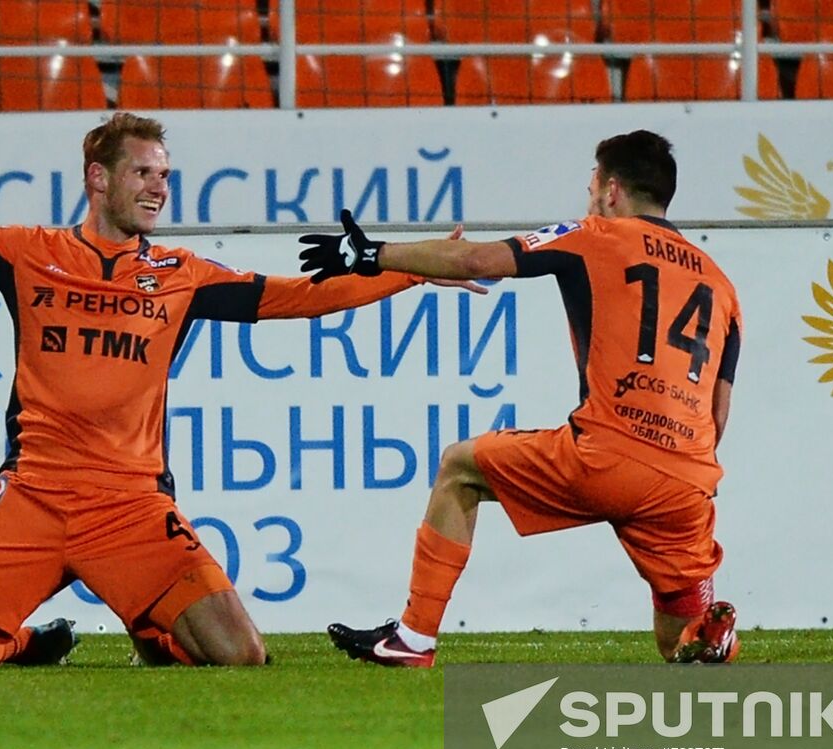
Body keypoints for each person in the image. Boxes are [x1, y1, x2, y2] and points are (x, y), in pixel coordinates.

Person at [0, 112, 475, 670]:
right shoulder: (28, 253)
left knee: (240, 655)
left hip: (131, 507)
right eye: (143, 172)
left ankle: (151, 628)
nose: (158, 187)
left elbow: (293, 297)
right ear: (98, 177)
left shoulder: (182, 274)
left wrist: (409, 272)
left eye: (165, 175)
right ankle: (22, 645)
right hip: (33, 497)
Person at [300, 131, 743, 666]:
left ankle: (413, 639)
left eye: (591, 187)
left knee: (459, 467)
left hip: (604, 455)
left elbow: (476, 262)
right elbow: (718, 414)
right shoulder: (720, 284)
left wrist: (371, 254)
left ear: (610, 190)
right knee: (679, 647)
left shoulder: (593, 234)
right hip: (686, 481)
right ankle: (712, 635)